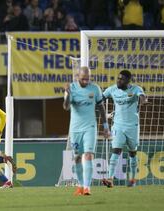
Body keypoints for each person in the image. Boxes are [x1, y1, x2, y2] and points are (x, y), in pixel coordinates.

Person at [63, 67, 110, 195]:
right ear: (78, 76)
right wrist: (67, 94)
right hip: (75, 129)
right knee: (77, 158)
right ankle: (80, 185)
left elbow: (101, 107)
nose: (85, 81)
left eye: (87, 79)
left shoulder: (95, 89)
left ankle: (87, 187)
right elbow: (66, 107)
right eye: (83, 79)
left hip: (90, 127)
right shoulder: (71, 88)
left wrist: (106, 127)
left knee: (89, 155)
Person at [102, 70, 149, 188]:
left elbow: (142, 96)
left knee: (132, 153)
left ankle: (132, 179)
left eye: (122, 79)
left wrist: (144, 101)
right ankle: (110, 179)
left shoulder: (135, 89)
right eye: (118, 78)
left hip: (132, 126)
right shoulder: (112, 89)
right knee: (116, 150)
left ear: (128, 81)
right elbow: (100, 98)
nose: (119, 81)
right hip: (118, 125)